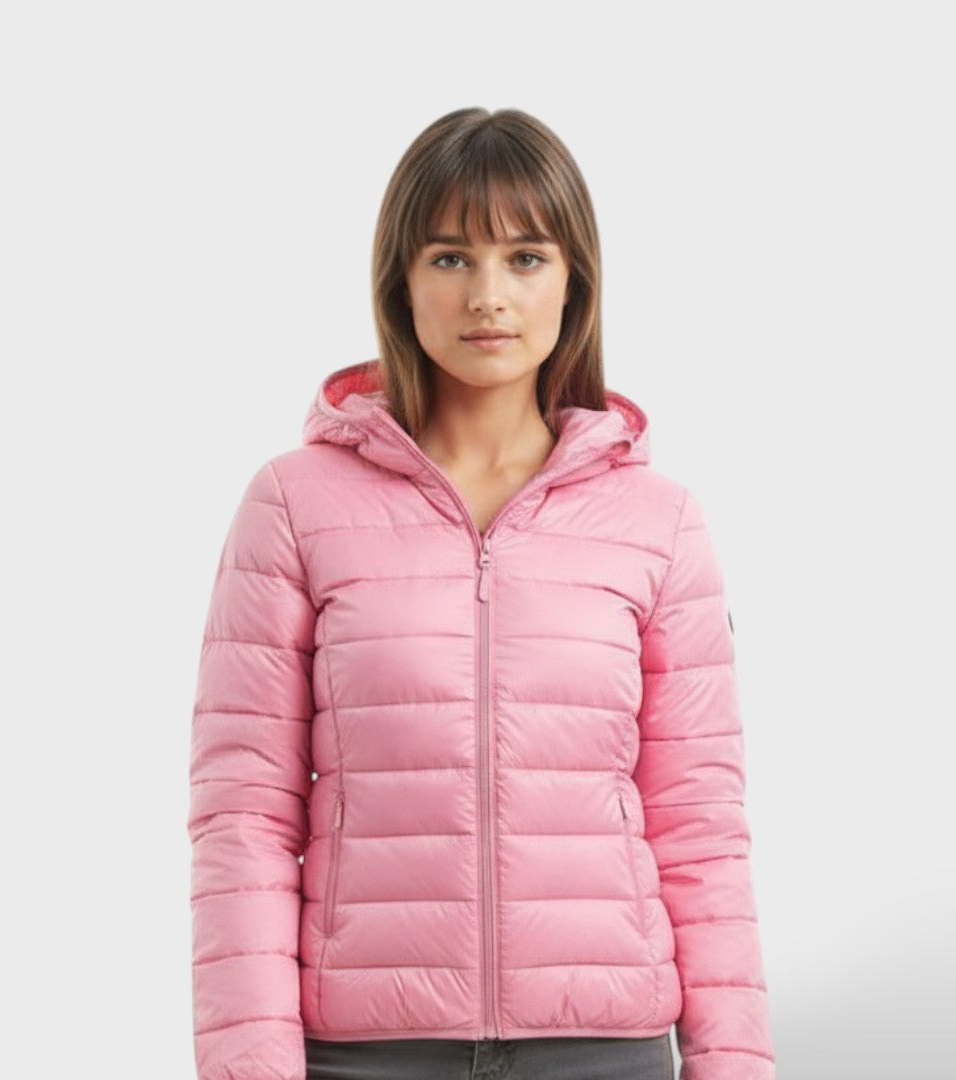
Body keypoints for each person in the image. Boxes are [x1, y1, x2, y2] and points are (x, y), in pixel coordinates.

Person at [186, 107, 776, 1080]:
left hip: (604, 1051)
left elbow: (699, 824)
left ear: (574, 281)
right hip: (368, 1055)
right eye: (452, 257)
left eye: (526, 257)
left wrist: (735, 1064)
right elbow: (243, 816)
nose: (488, 296)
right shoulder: (294, 504)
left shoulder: (658, 521)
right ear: (401, 280)